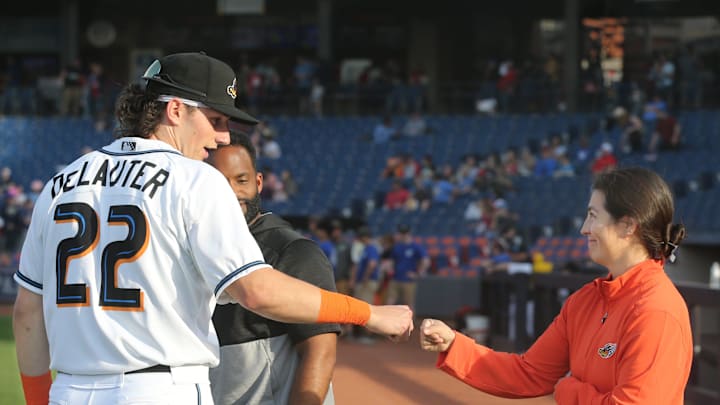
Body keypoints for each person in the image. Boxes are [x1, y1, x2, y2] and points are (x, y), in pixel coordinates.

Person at [12, 52, 413, 405]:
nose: (222, 136)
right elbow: (257, 291)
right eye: (215, 118)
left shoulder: (61, 182)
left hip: (71, 391)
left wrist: (36, 400)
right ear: (175, 110)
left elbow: (28, 313)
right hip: (162, 390)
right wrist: (367, 313)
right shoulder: (194, 179)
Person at [420, 167, 692, 404]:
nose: (585, 228)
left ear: (627, 225)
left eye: (593, 215)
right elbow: (529, 373)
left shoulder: (656, 311)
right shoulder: (586, 300)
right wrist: (454, 345)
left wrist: (568, 391)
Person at [208, 132, 340, 405]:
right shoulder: (203, 245)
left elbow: (320, 350)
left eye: (241, 180)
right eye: (219, 182)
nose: (232, 192)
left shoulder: (293, 251)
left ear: (258, 183)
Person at [386, 224, 430, 311]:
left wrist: (418, 273)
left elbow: (425, 261)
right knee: (389, 302)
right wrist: (390, 269)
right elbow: (391, 261)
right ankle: (387, 323)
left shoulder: (415, 247)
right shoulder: (397, 247)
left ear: (409, 233)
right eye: (401, 233)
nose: (403, 235)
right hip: (396, 278)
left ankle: (410, 324)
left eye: (404, 233)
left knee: (409, 305)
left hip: (408, 280)